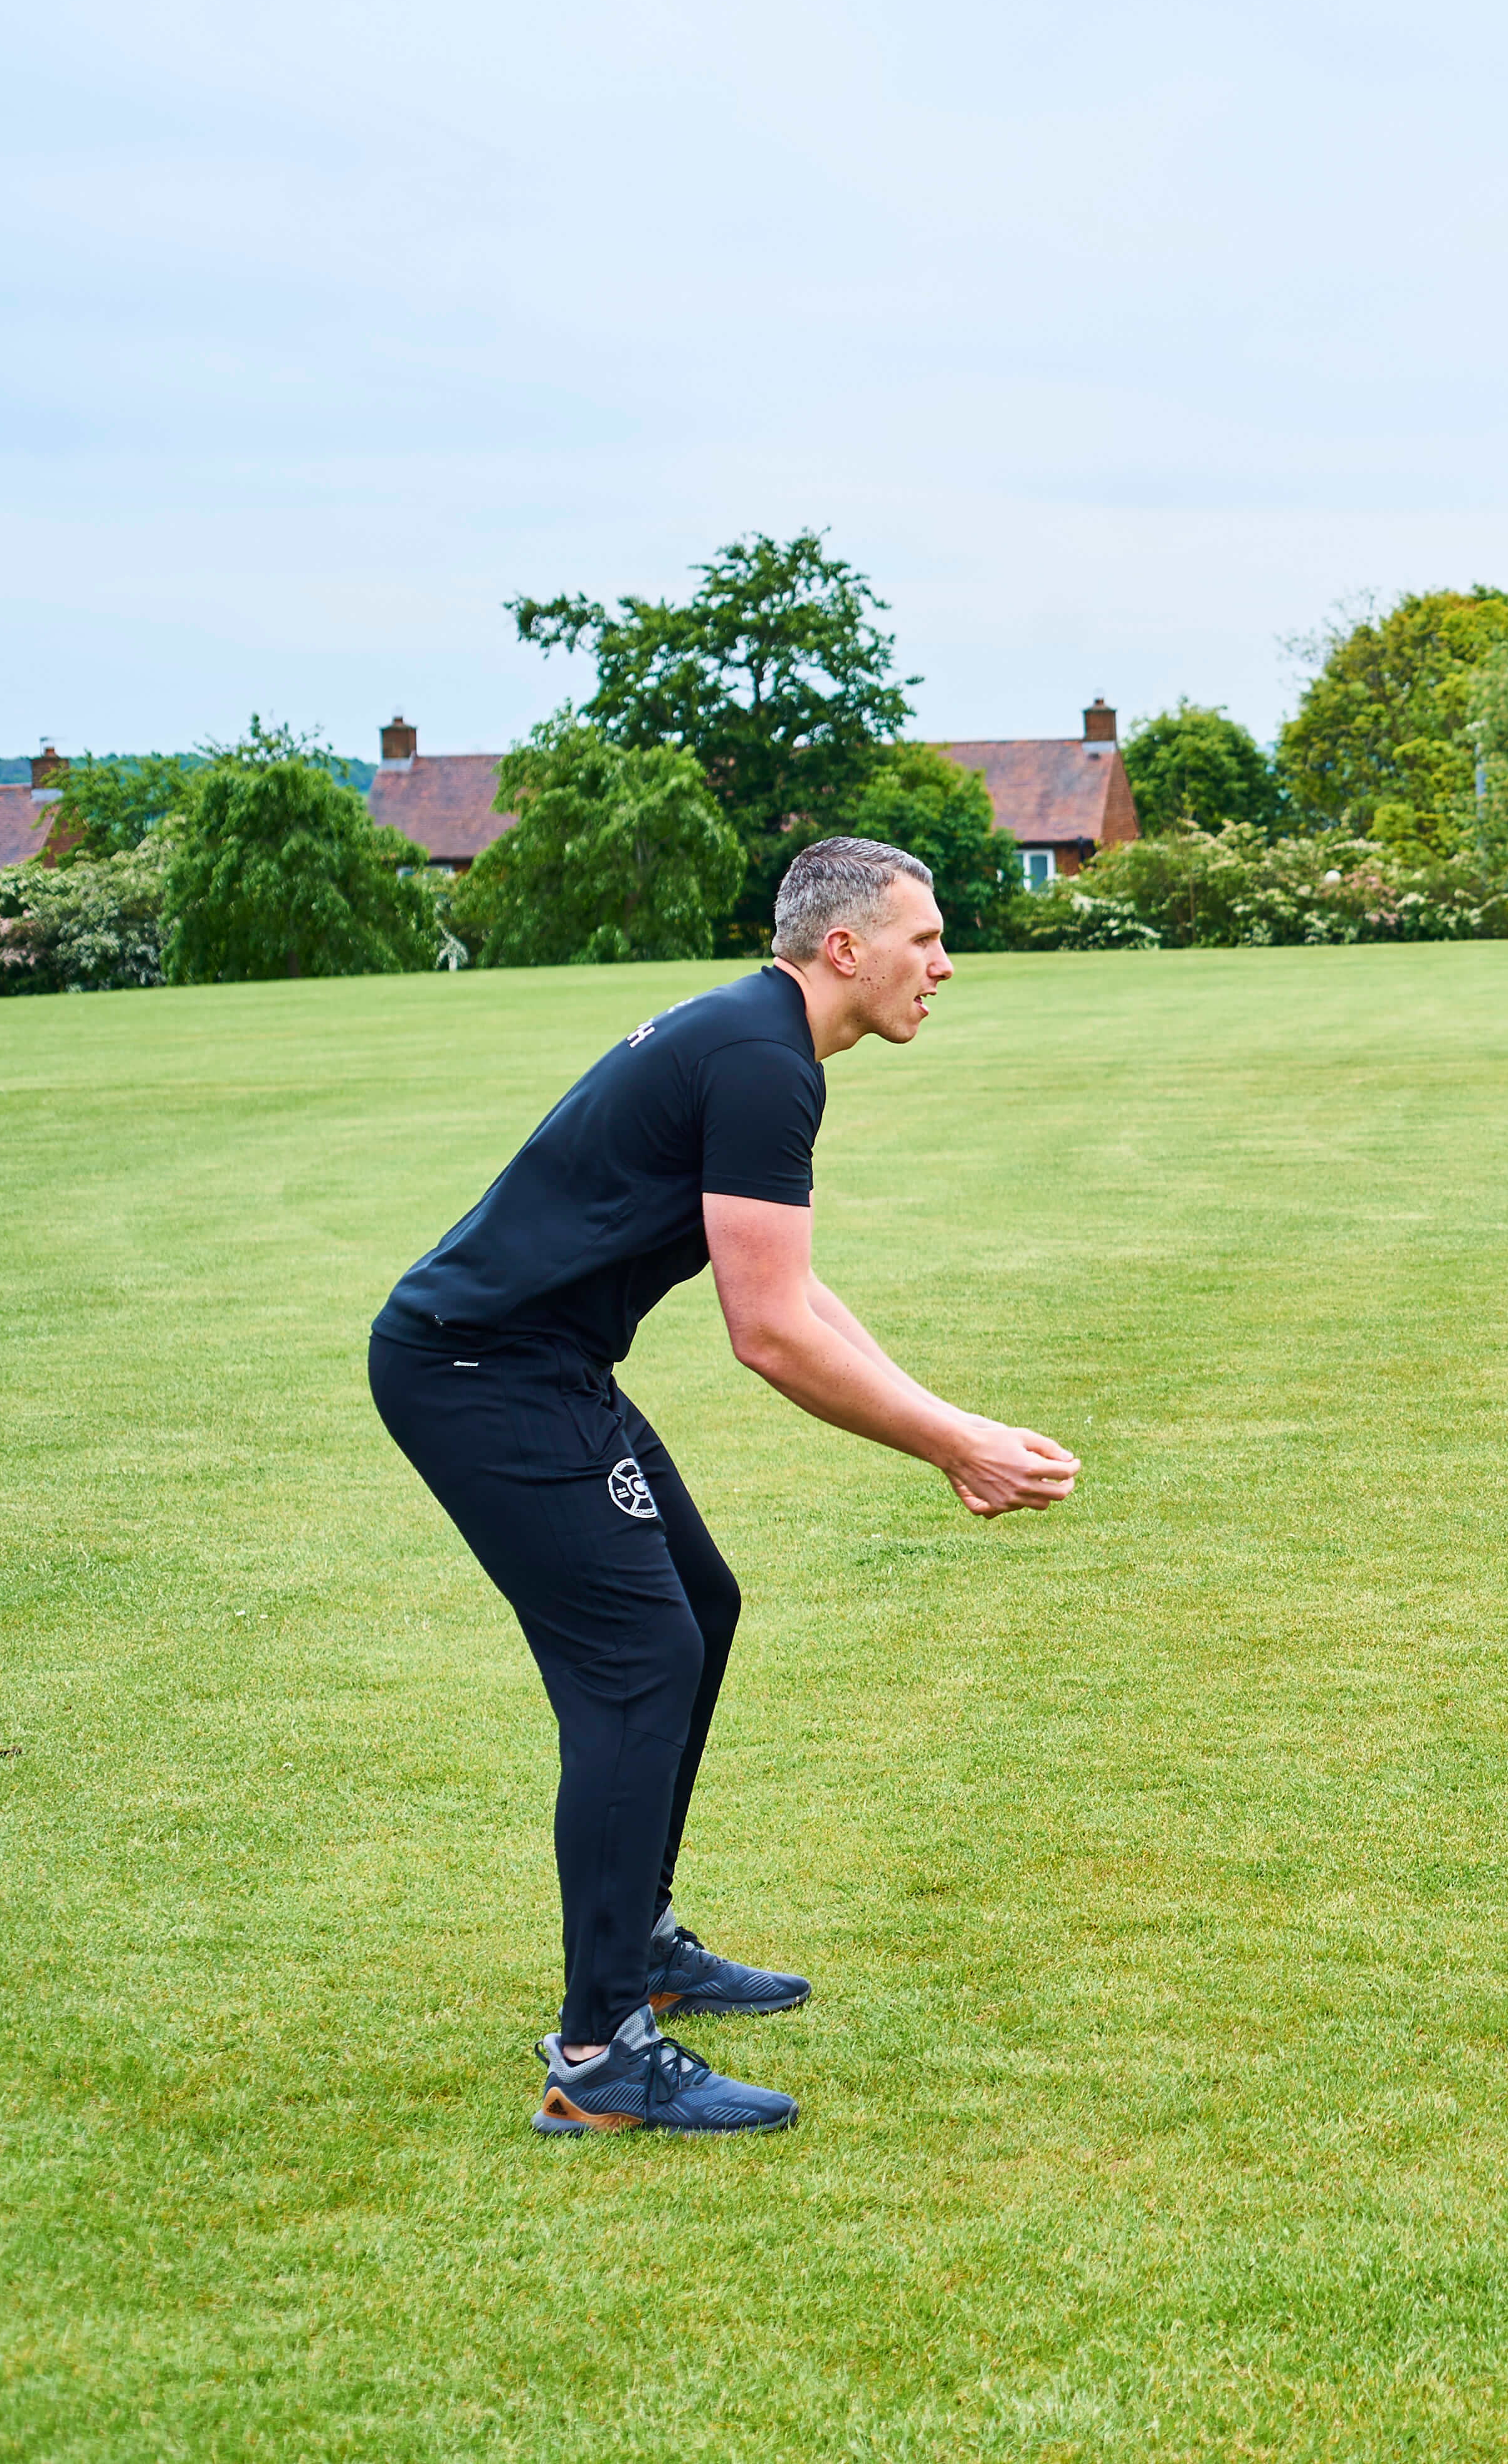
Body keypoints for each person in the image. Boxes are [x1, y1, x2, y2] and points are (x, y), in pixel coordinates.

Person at [368, 837, 1081, 2134]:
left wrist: (951, 1415)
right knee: (642, 1655)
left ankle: (636, 1945)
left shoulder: (758, 1040)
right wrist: (949, 1449)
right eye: (926, 941)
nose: (947, 965)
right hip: (483, 1374)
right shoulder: (760, 1059)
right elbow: (768, 1335)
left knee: (698, 1603)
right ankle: (599, 2058)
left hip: (535, 1365)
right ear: (846, 950)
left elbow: (799, 1289)